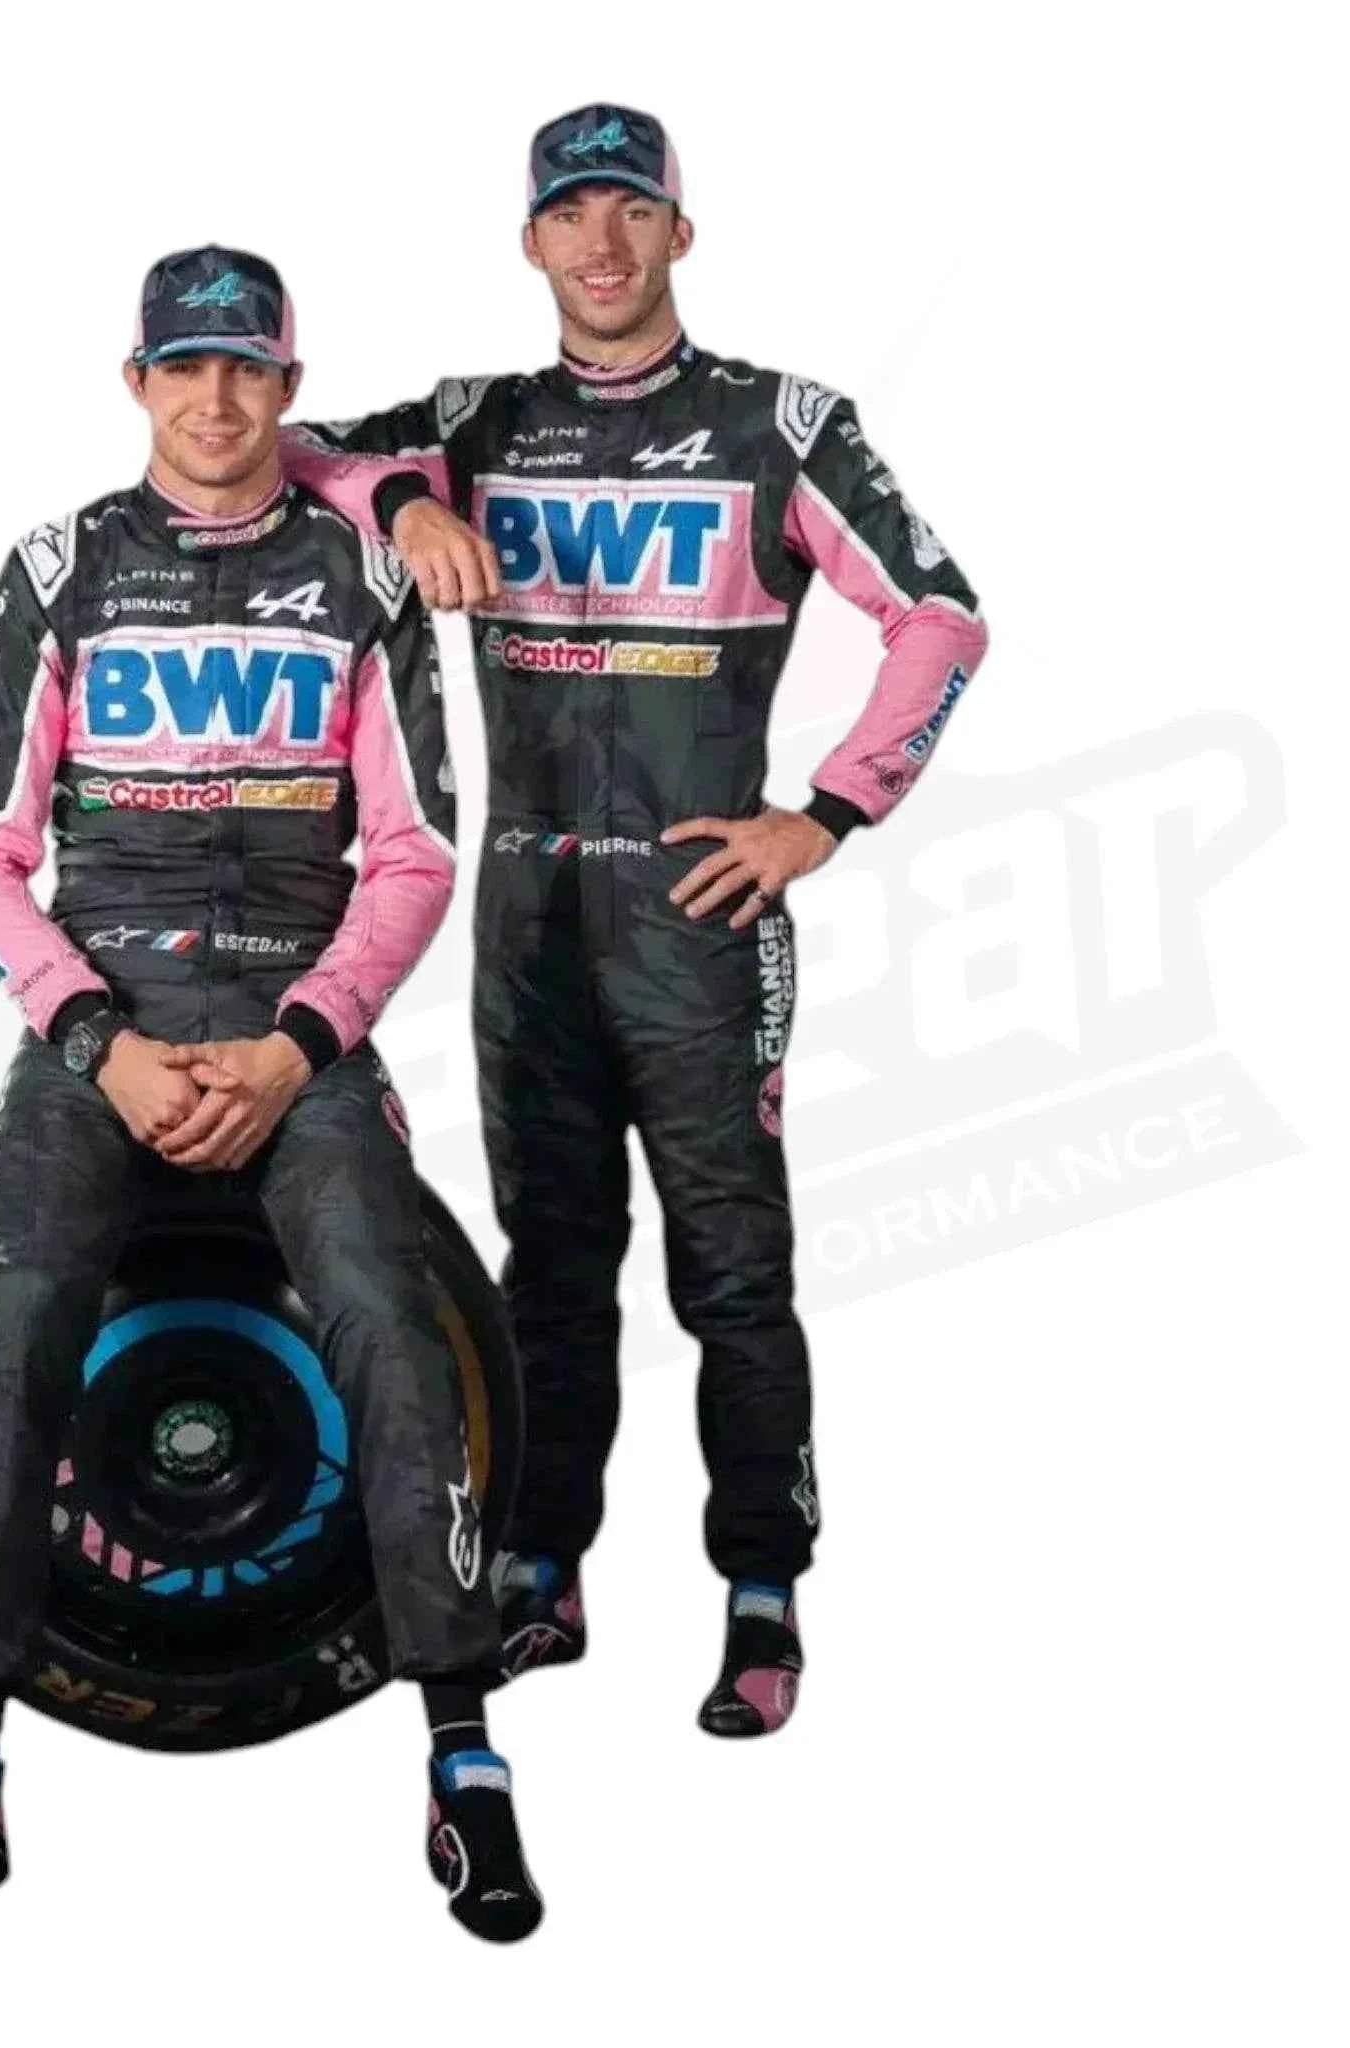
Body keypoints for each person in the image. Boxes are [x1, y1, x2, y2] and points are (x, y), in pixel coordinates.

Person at [284, 105, 989, 1736]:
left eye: (630, 211)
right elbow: (285, 452)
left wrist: (826, 813)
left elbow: (943, 618)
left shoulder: (778, 423)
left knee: (732, 1277)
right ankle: (544, 1569)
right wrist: (405, 509)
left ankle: (762, 1595)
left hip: (697, 920)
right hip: (528, 917)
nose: (601, 245)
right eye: (570, 215)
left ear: (680, 230)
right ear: (530, 241)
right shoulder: (473, 423)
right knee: (549, 1268)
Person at [0, 247, 541, 1945]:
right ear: (138, 383)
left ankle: (464, 1756)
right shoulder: (60, 570)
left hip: (295, 1022)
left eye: (248, 369)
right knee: (21, 1319)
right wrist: (97, 1040)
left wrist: (300, 1045)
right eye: (186, 368)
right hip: (103, 1022)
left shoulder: (360, 572)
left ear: (289, 391)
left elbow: (415, 853)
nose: (216, 399)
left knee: (387, 1308)